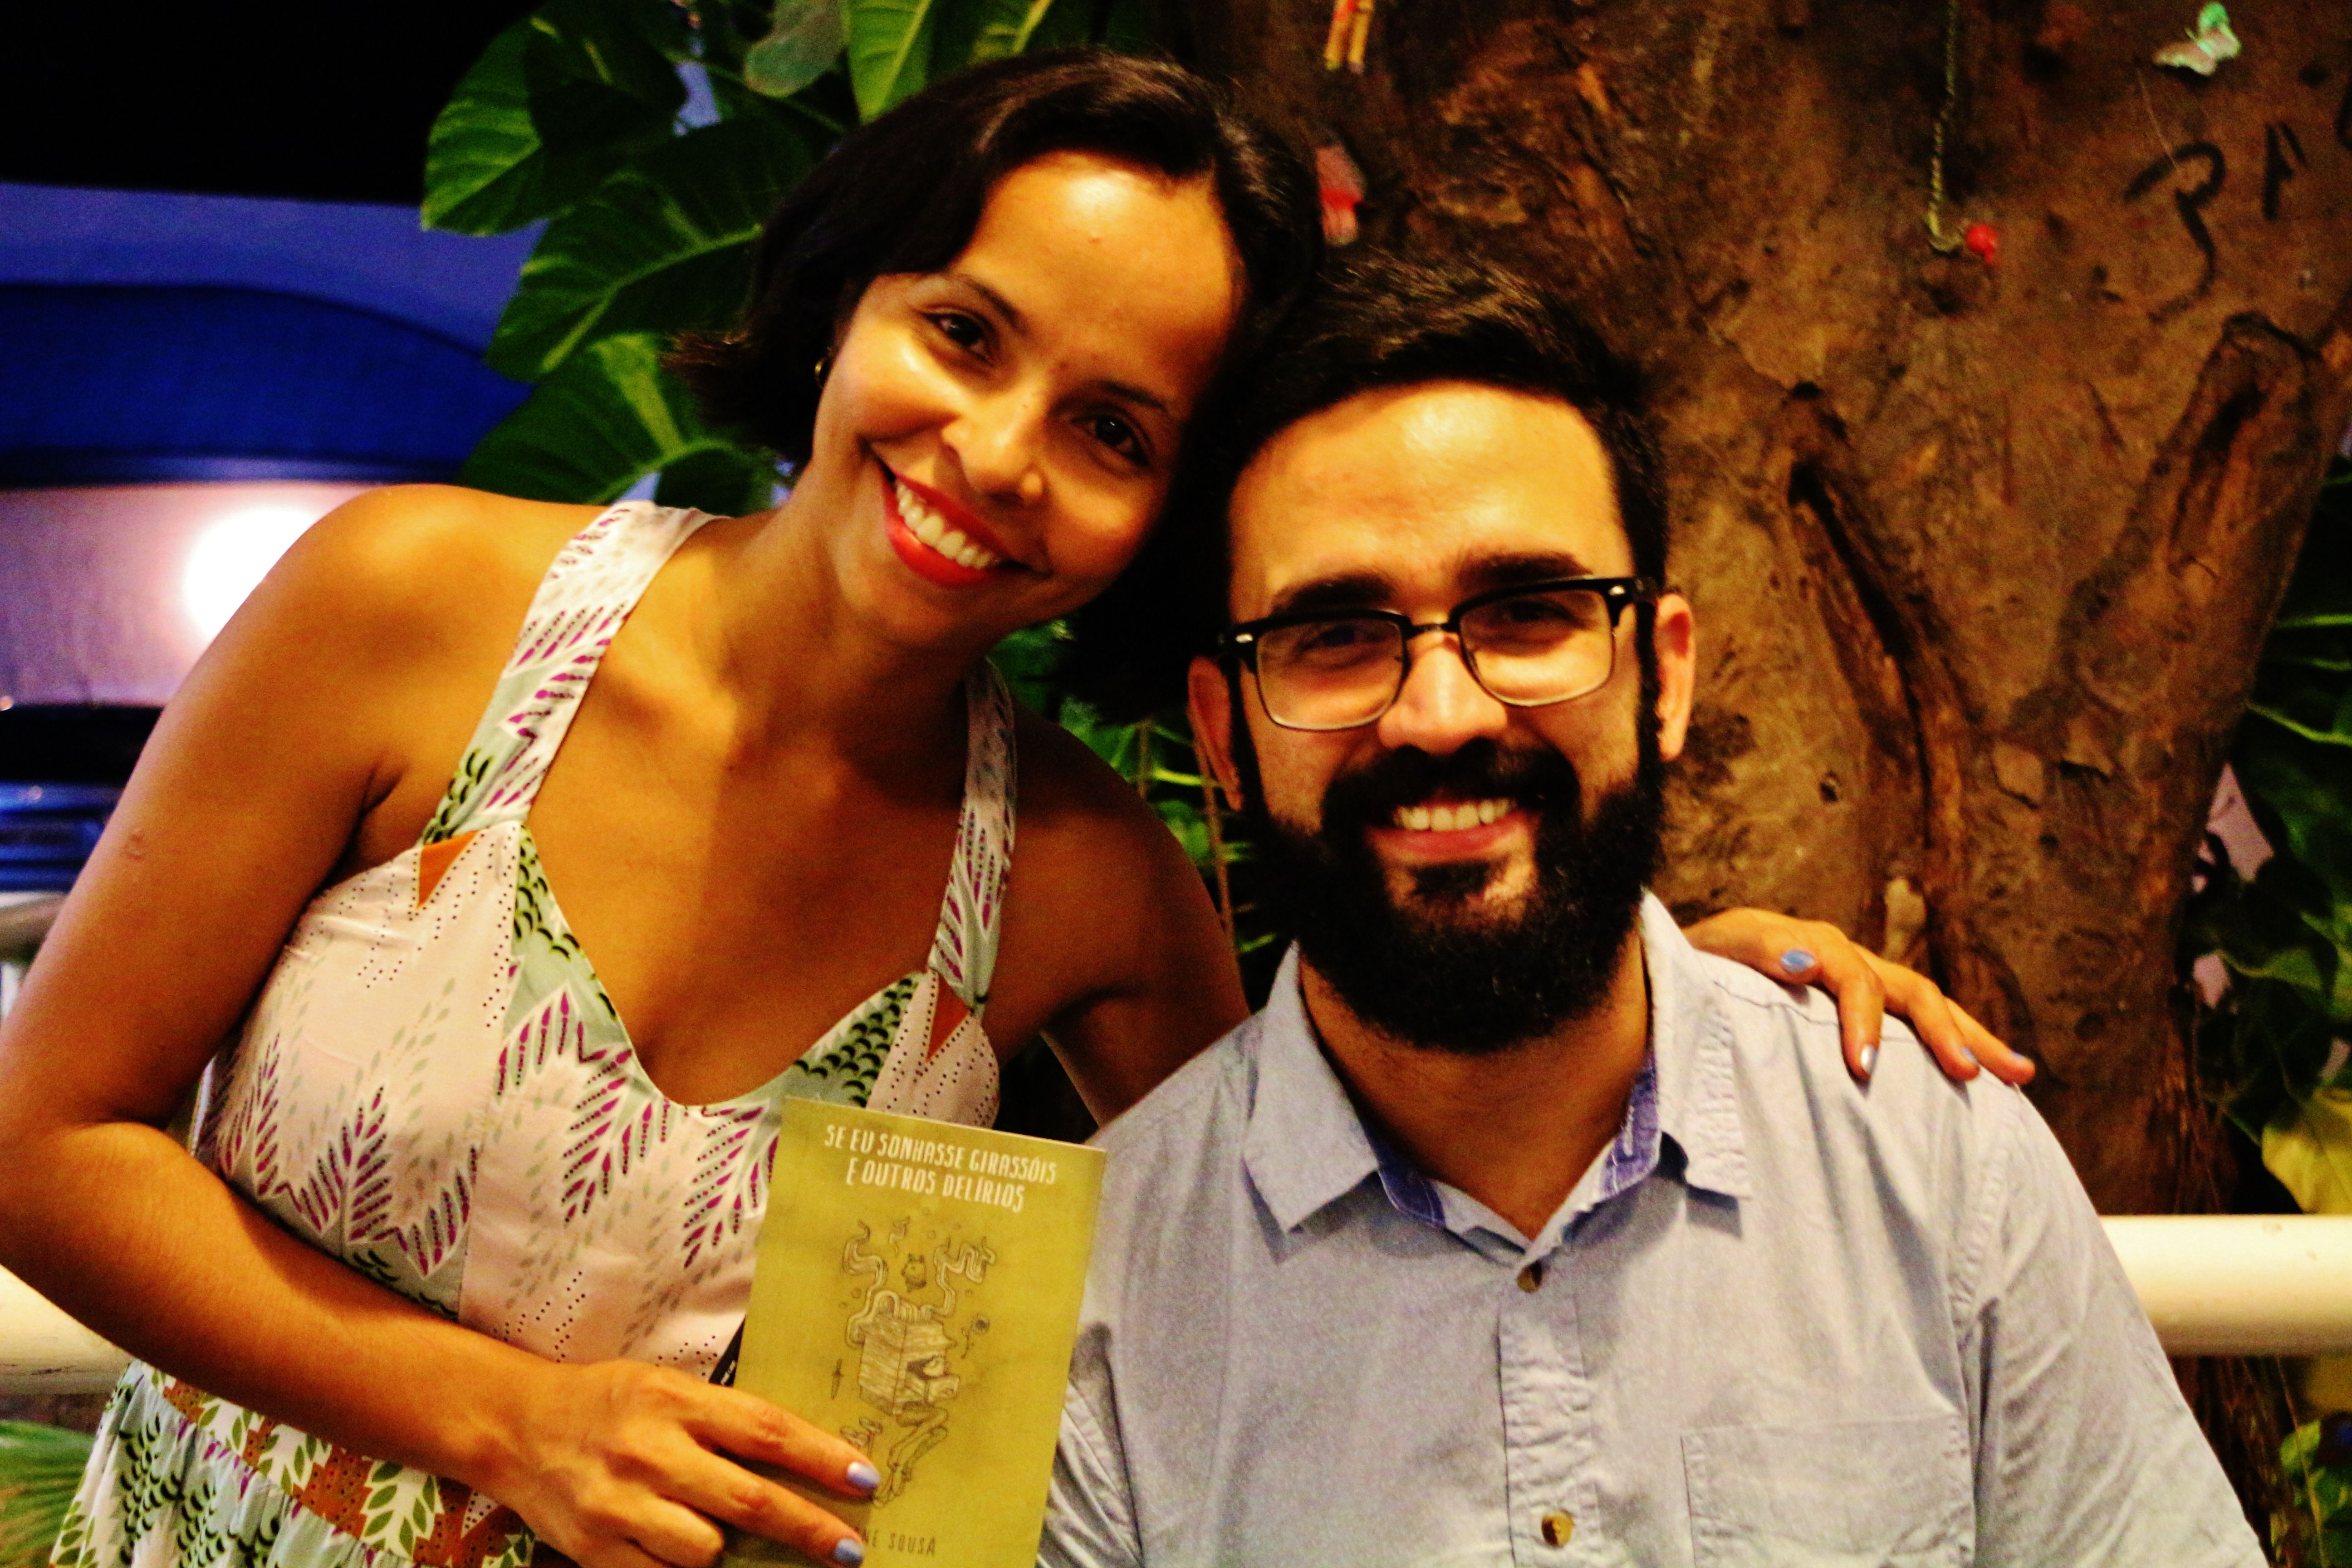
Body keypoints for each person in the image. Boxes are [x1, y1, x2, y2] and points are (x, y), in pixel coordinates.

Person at [0, 52, 2011, 1568]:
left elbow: (1334, 1185)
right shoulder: (415, 612)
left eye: (1114, 429)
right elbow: (42, 1146)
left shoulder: (1076, 885)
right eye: (963, 333)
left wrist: (1662, 983)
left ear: (1164, 519)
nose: (995, 453)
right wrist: (506, 1422)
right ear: (847, 299)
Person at [1039, 253, 2262, 1567]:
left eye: (1528, 614)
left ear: (1664, 679)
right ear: (1223, 736)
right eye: (1335, 635)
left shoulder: (1930, 1166)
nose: (1441, 715)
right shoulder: (1091, 1307)